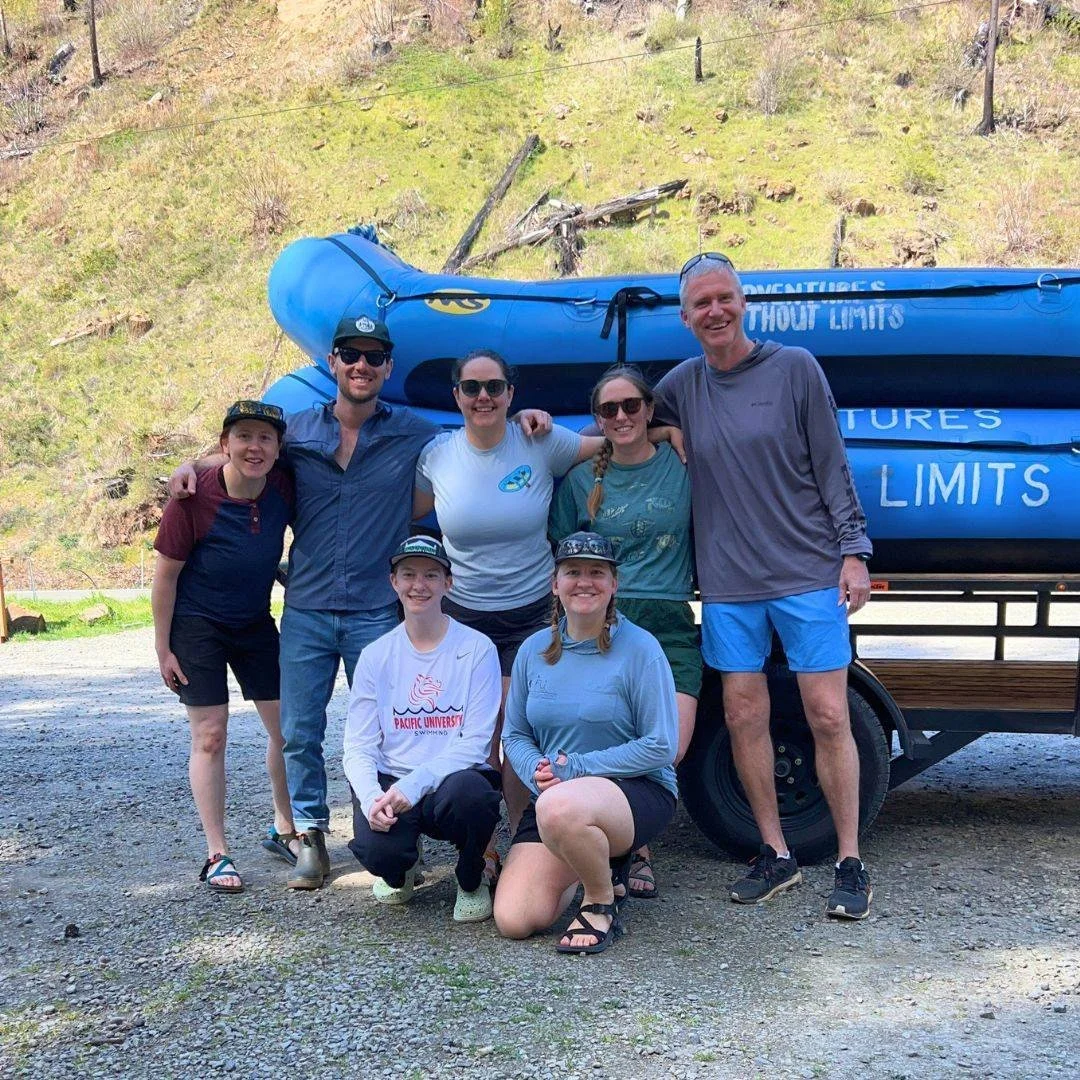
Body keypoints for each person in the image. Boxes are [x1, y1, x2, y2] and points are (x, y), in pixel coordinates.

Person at [168, 318, 549, 890]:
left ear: (387, 368)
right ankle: (311, 839)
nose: (361, 365)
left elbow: (478, 432)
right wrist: (192, 465)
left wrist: (524, 420)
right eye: (350, 354)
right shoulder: (295, 431)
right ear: (333, 362)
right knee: (299, 729)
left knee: (386, 726)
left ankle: (392, 828)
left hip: (376, 606)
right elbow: (248, 450)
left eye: (374, 357)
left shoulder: (413, 433)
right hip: (308, 606)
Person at [652, 252, 875, 920]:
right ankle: (775, 853)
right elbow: (623, 421)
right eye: (702, 303)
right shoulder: (681, 386)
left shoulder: (794, 368)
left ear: (742, 302)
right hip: (727, 582)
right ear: (686, 317)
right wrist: (665, 428)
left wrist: (854, 551)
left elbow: (832, 464)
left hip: (807, 571)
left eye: (725, 298)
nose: (715, 311)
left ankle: (849, 859)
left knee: (829, 715)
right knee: (744, 714)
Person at [412, 349, 611, 845]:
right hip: (464, 615)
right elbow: (402, 507)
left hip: (532, 612)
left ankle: (524, 831)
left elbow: (610, 445)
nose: (484, 397)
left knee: (522, 722)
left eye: (494, 387)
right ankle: (479, 834)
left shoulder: (537, 441)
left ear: (511, 394)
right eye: (472, 387)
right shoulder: (435, 456)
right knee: (475, 728)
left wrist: (667, 433)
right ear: (456, 395)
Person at [549, 365, 698, 902]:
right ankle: (629, 848)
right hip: (602, 619)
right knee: (601, 734)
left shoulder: (682, 464)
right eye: (608, 409)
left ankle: (629, 831)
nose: (621, 416)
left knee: (668, 746)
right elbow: (562, 557)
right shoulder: (581, 480)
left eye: (631, 405)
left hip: (667, 620)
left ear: (649, 408)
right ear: (597, 419)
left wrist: (666, 435)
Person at [494, 532, 678, 954]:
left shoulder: (641, 649)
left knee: (561, 807)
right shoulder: (533, 650)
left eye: (597, 572)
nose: (584, 581)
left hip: (634, 791)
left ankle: (600, 900)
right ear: (554, 583)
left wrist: (574, 768)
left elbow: (660, 747)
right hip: (557, 796)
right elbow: (515, 734)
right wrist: (538, 771)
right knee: (515, 918)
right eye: (572, 572)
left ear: (614, 584)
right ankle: (589, 856)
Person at [152, 400, 296, 893]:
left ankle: (285, 828)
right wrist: (162, 648)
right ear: (224, 444)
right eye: (244, 436)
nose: (254, 447)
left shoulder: (283, 484)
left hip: (255, 621)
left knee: (288, 729)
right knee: (210, 735)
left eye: (265, 438)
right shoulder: (191, 499)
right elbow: (165, 579)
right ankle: (217, 852)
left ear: (279, 448)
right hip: (197, 625)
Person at [342, 536, 502, 922]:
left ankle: (470, 877)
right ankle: (402, 868)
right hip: (392, 778)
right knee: (381, 855)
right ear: (393, 582)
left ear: (449, 583)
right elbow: (358, 745)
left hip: (449, 781)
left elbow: (476, 744)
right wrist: (370, 800)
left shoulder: (478, 649)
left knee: (474, 796)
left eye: (431, 574)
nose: (419, 585)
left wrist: (412, 787)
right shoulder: (376, 655)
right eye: (408, 574)